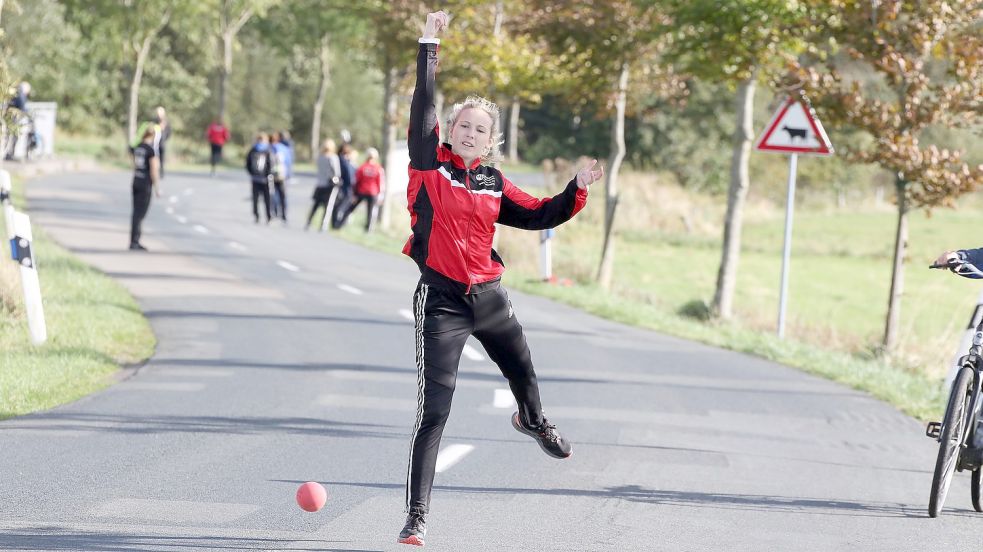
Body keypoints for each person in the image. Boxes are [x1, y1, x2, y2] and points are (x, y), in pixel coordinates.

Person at [396, 11, 604, 547]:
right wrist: (430, 43)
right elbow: (424, 107)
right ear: (451, 132)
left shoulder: (493, 183)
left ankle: (532, 421)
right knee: (434, 413)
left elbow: (539, 214)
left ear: (490, 142)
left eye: (479, 129)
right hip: (441, 302)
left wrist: (576, 186)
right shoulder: (428, 165)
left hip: (489, 297)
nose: (468, 132)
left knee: (525, 373)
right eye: (462, 125)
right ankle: (417, 517)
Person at [129, 126, 161, 251]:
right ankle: (135, 241)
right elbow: (154, 170)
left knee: (135, 212)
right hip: (145, 183)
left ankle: (134, 240)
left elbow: (134, 164)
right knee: (140, 213)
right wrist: (157, 187)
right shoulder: (150, 150)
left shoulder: (138, 148)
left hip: (136, 180)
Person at [340, 147, 385, 232]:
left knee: (351, 208)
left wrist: (354, 193)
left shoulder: (362, 167)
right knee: (370, 212)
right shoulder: (379, 168)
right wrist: (380, 196)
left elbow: (356, 181)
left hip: (361, 192)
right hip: (373, 193)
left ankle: (341, 223)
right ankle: (368, 229)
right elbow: (381, 184)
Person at [306, 139, 342, 231]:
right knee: (328, 206)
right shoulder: (333, 158)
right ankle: (323, 225)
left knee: (316, 205)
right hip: (329, 185)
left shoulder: (320, 157)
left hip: (320, 183)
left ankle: (309, 221)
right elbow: (336, 172)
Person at [245, 133, 273, 224]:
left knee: (255, 198)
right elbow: (270, 164)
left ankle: (256, 215)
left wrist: (251, 173)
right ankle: (268, 216)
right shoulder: (268, 150)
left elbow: (247, 163)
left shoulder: (253, 149)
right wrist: (268, 174)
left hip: (255, 178)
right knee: (267, 199)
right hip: (265, 179)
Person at [331, 143, 357, 229]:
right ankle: (338, 224)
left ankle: (334, 223)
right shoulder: (345, 162)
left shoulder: (336, 159)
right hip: (345, 188)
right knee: (343, 207)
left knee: (336, 205)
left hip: (338, 186)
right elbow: (350, 177)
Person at [270, 131, 292, 223]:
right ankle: (283, 214)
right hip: (283, 174)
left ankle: (274, 212)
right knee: (283, 195)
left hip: (273, 174)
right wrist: (288, 174)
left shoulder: (272, 148)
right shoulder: (286, 149)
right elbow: (288, 163)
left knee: (274, 193)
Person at [153, 106, 171, 178]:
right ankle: (154, 172)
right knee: (154, 158)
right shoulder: (154, 121)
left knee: (162, 159)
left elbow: (169, 132)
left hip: (162, 143)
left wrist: (164, 138)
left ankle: (161, 172)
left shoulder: (166, 122)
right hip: (154, 143)